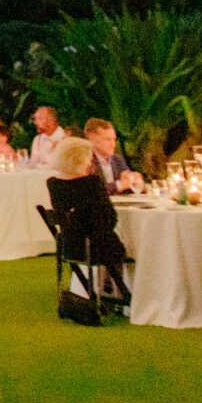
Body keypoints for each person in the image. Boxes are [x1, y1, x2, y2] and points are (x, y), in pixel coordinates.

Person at [44, 136, 131, 307]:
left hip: (69, 245)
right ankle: (121, 293)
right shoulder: (92, 183)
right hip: (97, 247)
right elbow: (109, 218)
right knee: (127, 244)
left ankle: (105, 290)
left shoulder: (53, 184)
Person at [83, 119, 141, 193]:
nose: (113, 144)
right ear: (92, 139)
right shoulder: (85, 161)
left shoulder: (117, 159)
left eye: (114, 140)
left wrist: (135, 181)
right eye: (108, 139)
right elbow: (90, 190)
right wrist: (119, 185)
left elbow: (129, 185)